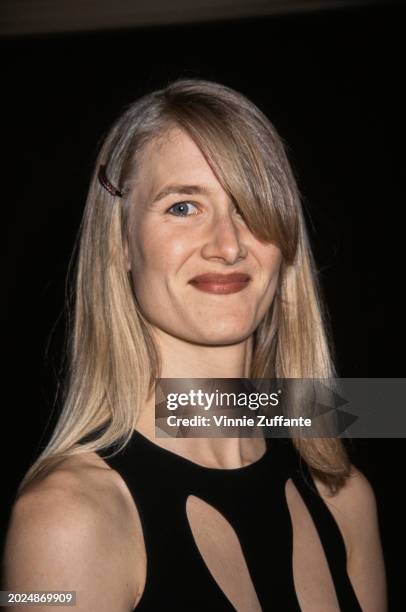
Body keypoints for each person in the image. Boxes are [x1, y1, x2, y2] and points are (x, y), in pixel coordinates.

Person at [2, 78, 387, 611]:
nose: (228, 246)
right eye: (183, 206)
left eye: (250, 206)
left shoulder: (345, 501)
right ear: (121, 246)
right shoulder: (66, 520)